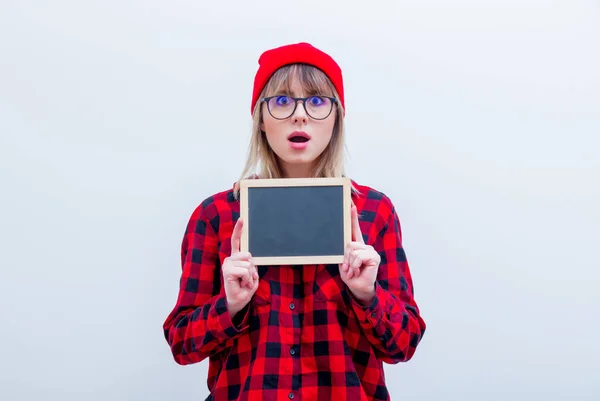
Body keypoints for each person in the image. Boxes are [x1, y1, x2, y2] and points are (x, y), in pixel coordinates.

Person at [162, 42, 426, 401]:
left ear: (336, 119)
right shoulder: (217, 216)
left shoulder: (373, 212)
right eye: (282, 101)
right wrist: (230, 305)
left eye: (317, 101)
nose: (300, 115)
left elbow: (405, 344)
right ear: (261, 121)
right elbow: (181, 344)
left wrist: (367, 295)